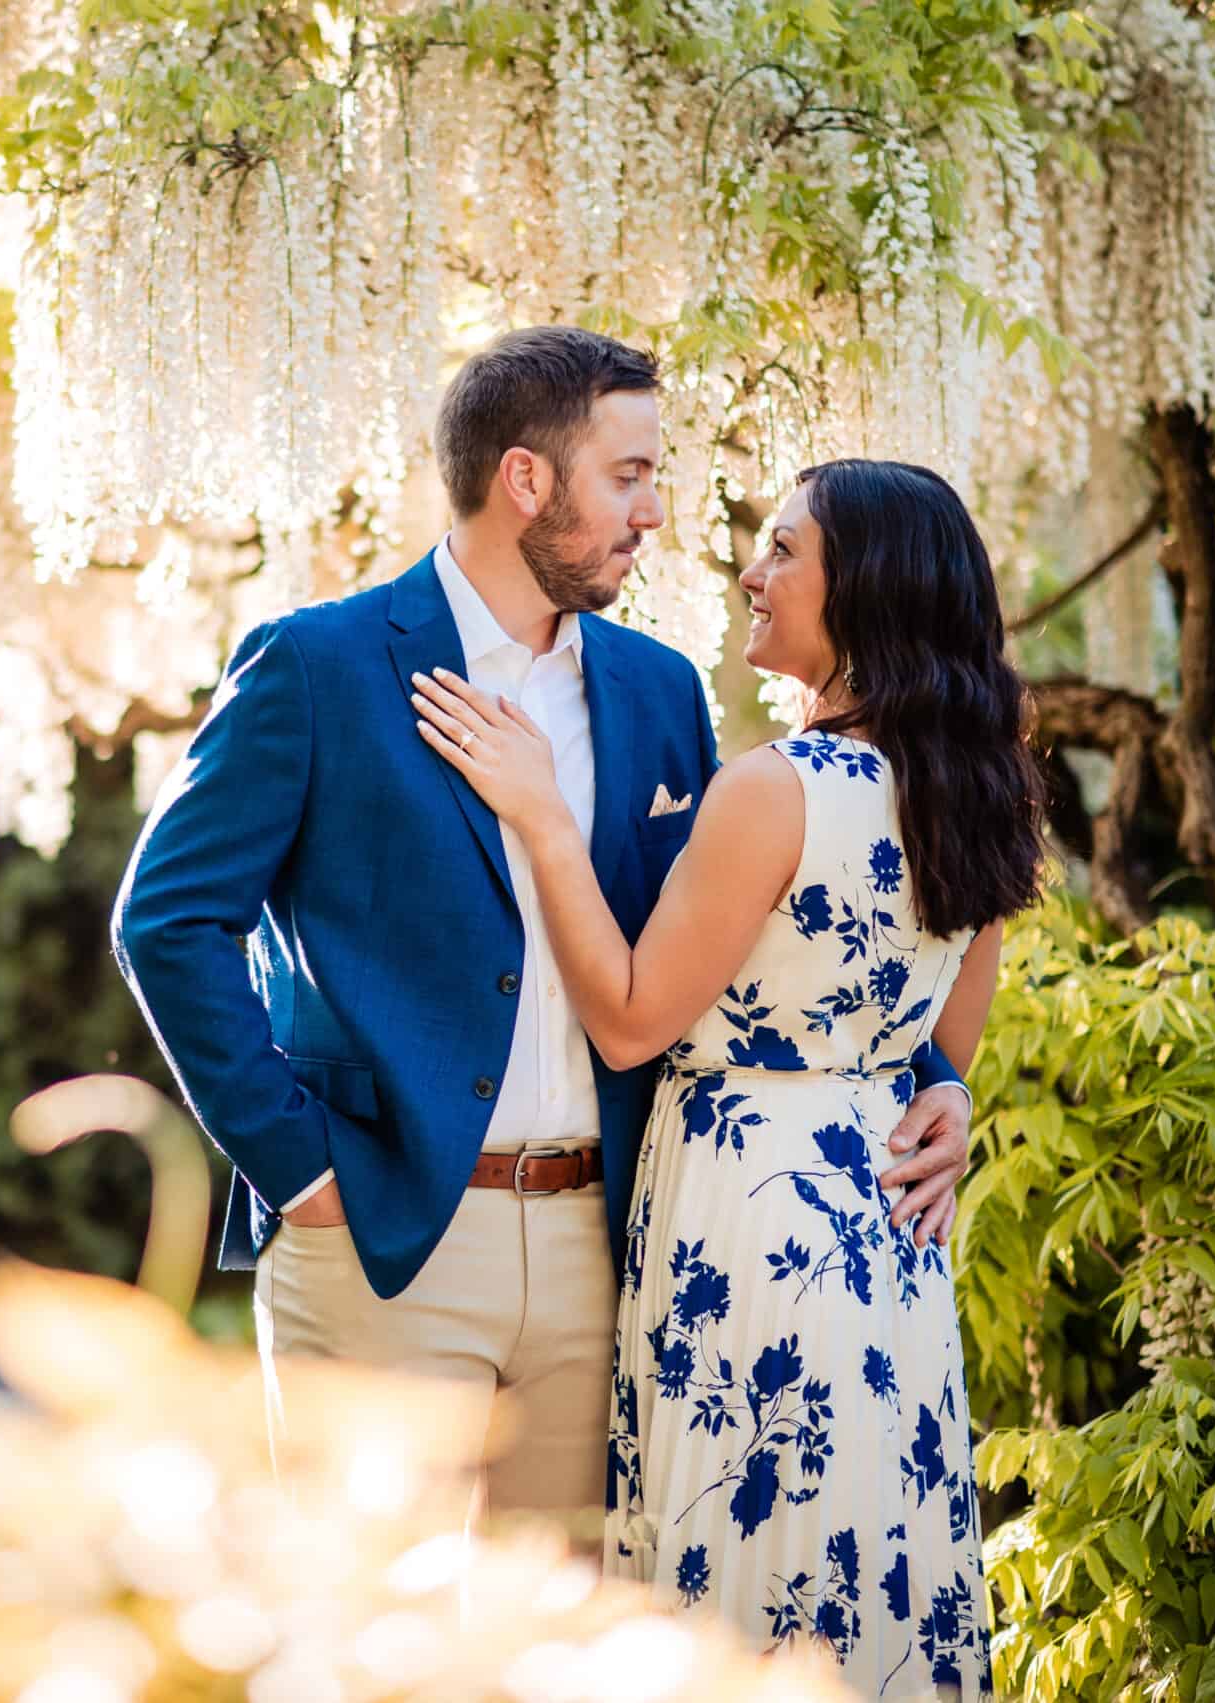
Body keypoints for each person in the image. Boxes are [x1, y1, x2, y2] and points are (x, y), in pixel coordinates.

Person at [111, 330, 975, 1529]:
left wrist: (932, 1077)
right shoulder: (319, 665)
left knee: (569, 1635)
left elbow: (733, 941)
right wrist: (296, 1167)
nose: (657, 511)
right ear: (528, 481)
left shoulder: (657, 687)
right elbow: (167, 918)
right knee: (368, 1638)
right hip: (382, 1231)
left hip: (605, 1244)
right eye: (627, 475)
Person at [409, 457, 1042, 1690]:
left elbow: (633, 1021)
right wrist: (948, 1100)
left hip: (750, 1223)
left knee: (743, 1566)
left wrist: (541, 813)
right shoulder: (980, 791)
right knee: (864, 1548)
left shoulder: (778, 787)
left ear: (865, 587)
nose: (752, 572)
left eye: (784, 549)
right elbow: (944, 1046)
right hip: (882, 1238)